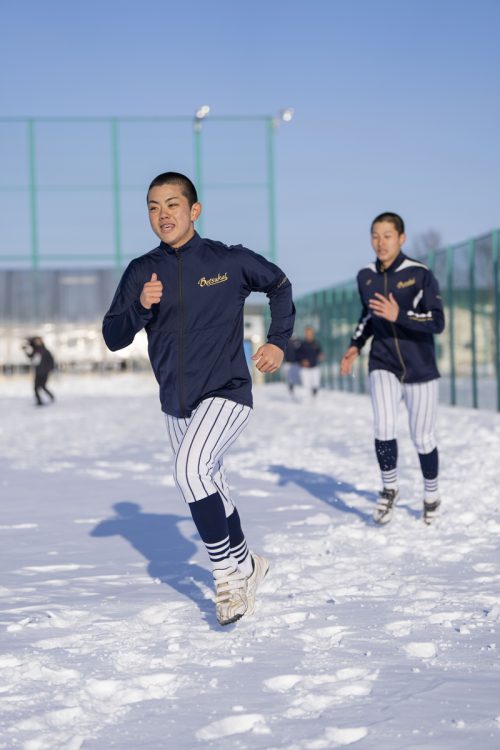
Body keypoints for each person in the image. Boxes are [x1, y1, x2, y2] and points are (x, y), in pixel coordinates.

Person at [103, 171, 295, 625]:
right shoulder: (141, 271)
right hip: (176, 403)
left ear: (194, 210)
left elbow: (280, 285)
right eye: (153, 206)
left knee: (190, 471)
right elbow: (113, 336)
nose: (162, 214)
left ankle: (227, 580)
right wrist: (140, 308)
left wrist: (278, 340)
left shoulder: (228, 260)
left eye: (172, 204)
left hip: (228, 391)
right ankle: (250, 565)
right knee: (210, 483)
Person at [340, 212, 445, 525]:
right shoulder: (365, 276)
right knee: (383, 426)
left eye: (387, 235)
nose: (380, 242)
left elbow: (437, 321)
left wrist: (400, 315)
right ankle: (388, 489)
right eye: (375, 235)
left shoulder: (420, 274)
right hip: (383, 362)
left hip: (420, 368)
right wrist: (355, 346)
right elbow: (368, 316)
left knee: (422, 437)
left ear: (402, 238)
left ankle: (431, 495)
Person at [22, 336, 56, 406]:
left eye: (38, 341)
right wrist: (25, 350)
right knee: (36, 388)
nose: (37, 342)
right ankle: (39, 401)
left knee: (43, 386)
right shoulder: (35, 351)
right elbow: (30, 357)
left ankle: (51, 396)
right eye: (36, 341)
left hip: (44, 372)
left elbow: (51, 361)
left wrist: (49, 369)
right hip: (38, 372)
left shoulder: (46, 351)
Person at [296, 325, 324, 396]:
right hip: (305, 369)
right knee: (306, 387)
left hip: (314, 367)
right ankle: (307, 403)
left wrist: (320, 356)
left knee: (315, 386)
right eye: (307, 333)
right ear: (305, 333)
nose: (309, 334)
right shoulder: (301, 344)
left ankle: (314, 400)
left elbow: (319, 352)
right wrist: (302, 361)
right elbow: (297, 356)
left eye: (310, 332)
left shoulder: (316, 343)